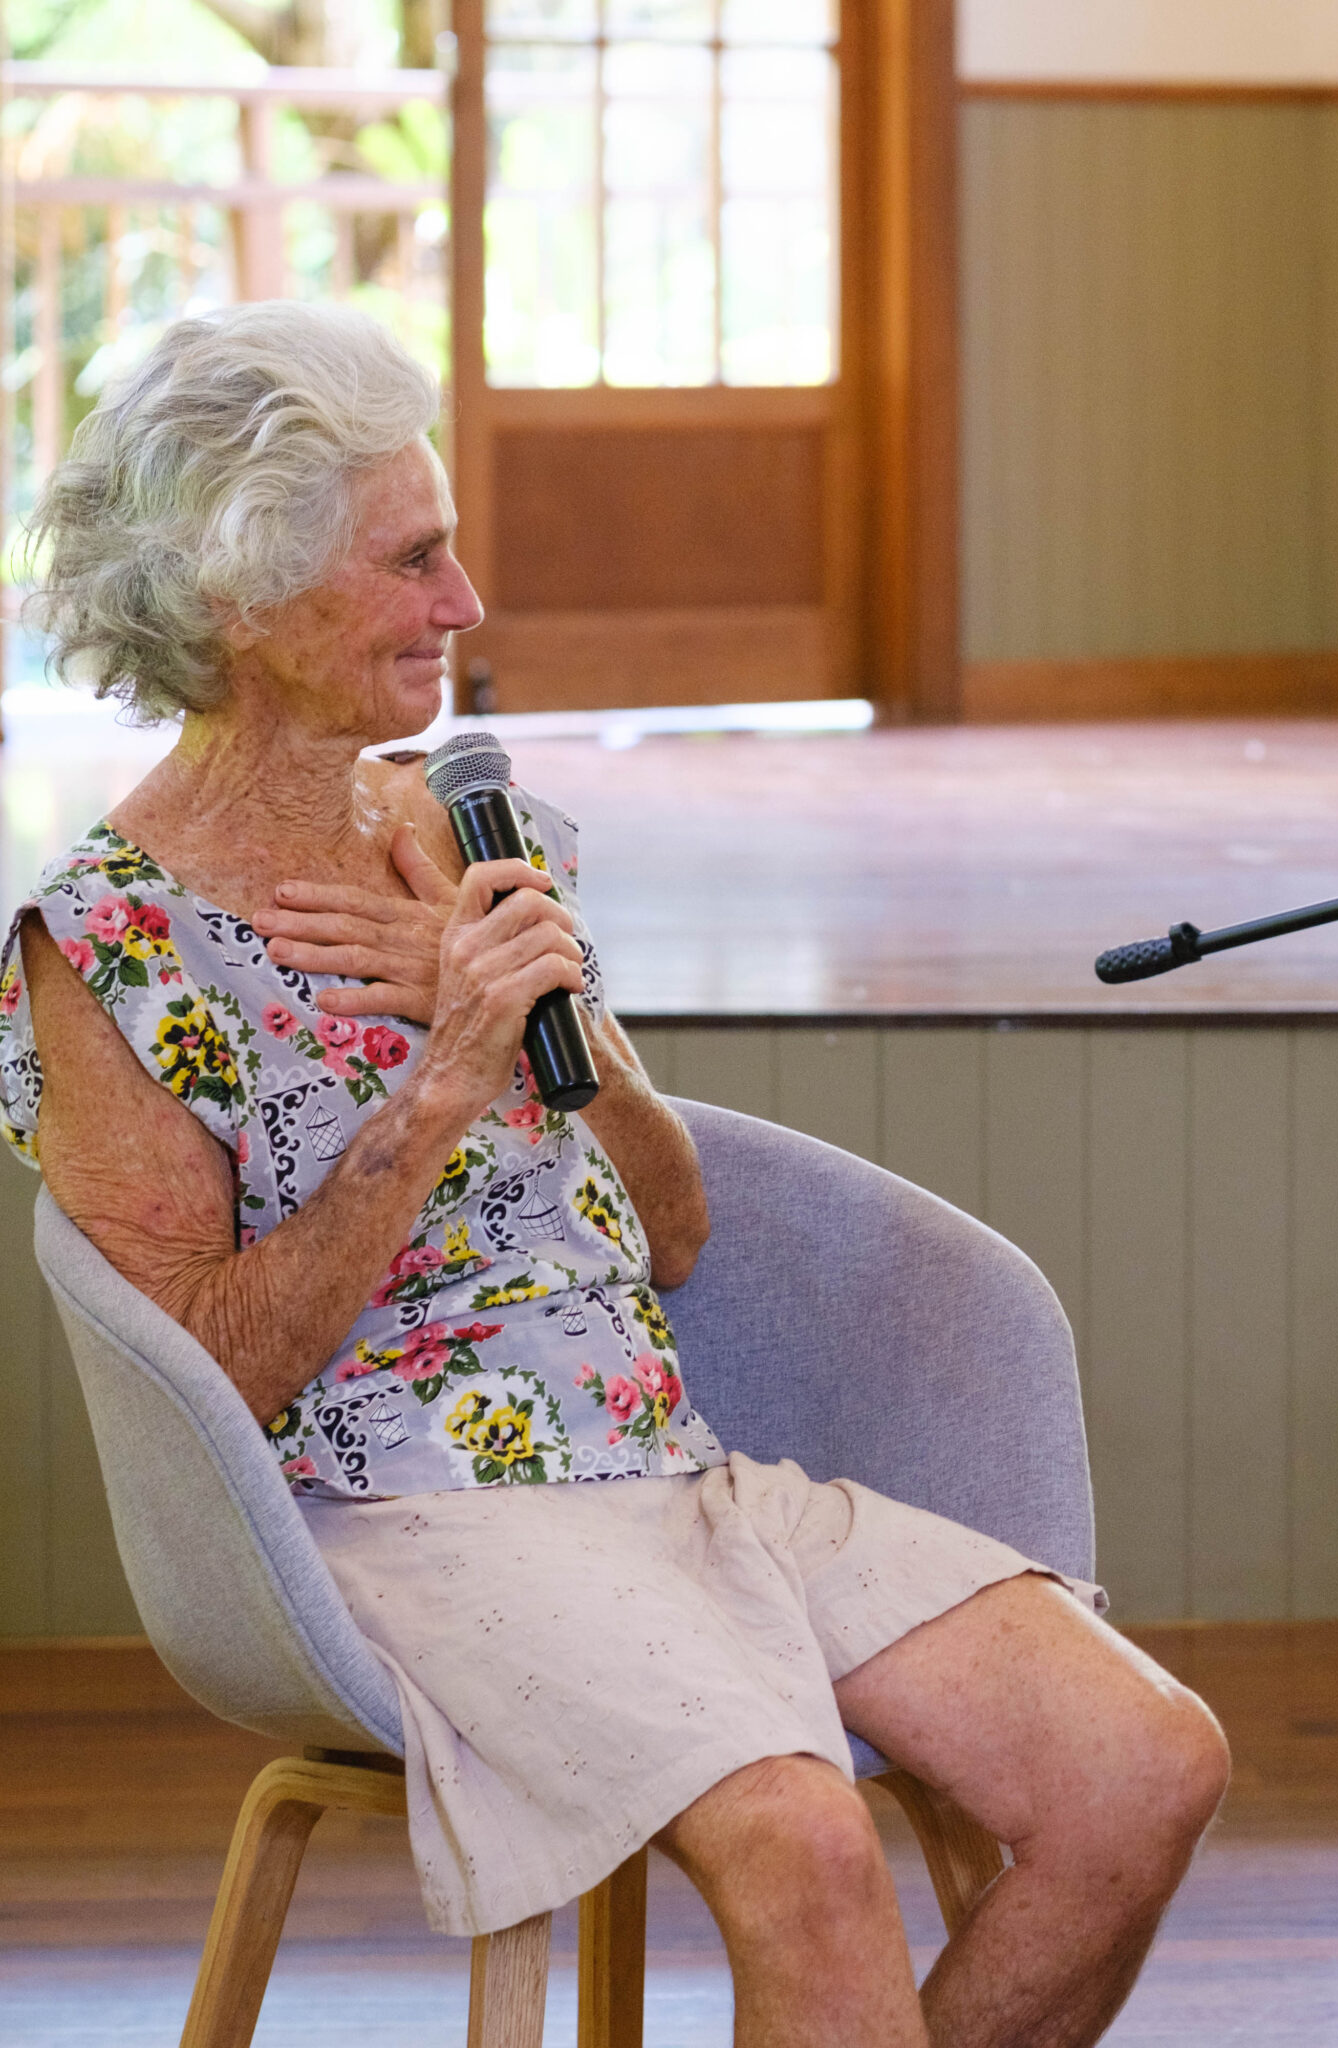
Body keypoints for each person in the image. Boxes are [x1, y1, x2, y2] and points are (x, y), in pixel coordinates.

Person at [0, 302, 1230, 2048]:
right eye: (412, 560)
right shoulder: (106, 949)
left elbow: (668, 1229)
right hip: (406, 1515)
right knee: (804, 1844)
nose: (465, 606)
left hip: (665, 1462)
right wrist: (439, 1088)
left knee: (1143, 1764)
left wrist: (561, 1027)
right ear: (242, 603)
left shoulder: (476, 833)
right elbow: (209, 1363)